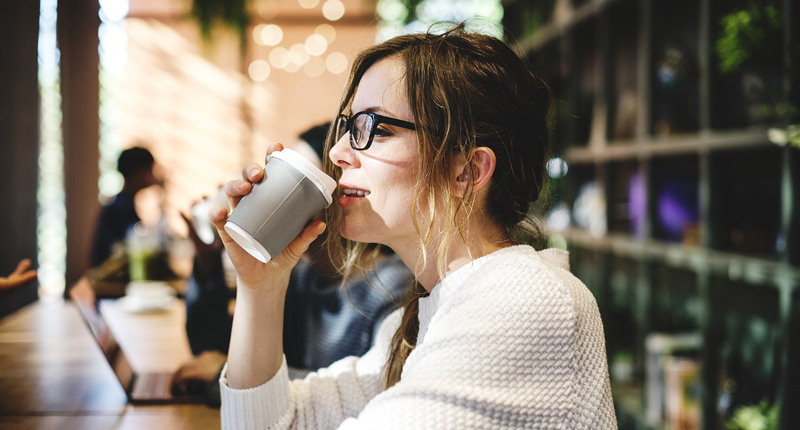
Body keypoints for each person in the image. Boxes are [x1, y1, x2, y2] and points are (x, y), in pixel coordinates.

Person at [213, 24, 617, 429]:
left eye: (375, 128)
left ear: (467, 171)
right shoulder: (412, 326)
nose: (337, 153)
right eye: (348, 126)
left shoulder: (525, 300)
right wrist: (260, 287)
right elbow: (278, 423)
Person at [171, 124, 414, 403]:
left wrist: (220, 376)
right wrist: (209, 260)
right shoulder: (300, 275)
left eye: (295, 178)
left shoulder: (390, 288)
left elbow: (372, 394)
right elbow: (209, 351)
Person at [90, 146, 159, 267]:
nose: (153, 175)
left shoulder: (122, 203)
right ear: (138, 173)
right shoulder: (120, 209)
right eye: (150, 170)